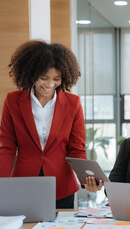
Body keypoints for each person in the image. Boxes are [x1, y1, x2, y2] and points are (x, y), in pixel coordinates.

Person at [0, 40, 87, 209]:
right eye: (44, 78)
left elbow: (76, 148)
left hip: (61, 185)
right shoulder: (12, 101)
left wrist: (86, 178)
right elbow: (7, 147)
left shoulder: (73, 103)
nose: (49, 85)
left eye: (56, 79)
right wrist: (2, 181)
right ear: (32, 74)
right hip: (24, 183)